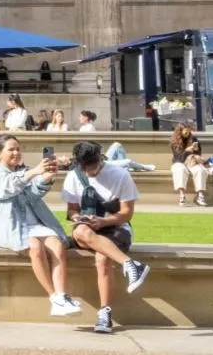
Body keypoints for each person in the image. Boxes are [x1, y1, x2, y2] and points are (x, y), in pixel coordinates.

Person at [63, 141, 152, 334]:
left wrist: (103, 222)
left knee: (102, 257)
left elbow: (127, 213)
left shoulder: (120, 175)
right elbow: (72, 211)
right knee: (79, 231)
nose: (89, 173)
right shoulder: (73, 176)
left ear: (100, 159)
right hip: (88, 230)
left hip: (116, 228)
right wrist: (79, 218)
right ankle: (131, 265)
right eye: (84, 169)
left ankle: (105, 312)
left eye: (93, 168)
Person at [0, 134, 80, 318]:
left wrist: (47, 176)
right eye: (11, 149)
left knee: (56, 244)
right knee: (35, 247)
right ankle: (53, 297)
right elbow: (8, 187)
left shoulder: (26, 171)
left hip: (35, 224)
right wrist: (34, 172)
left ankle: (62, 296)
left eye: (18, 149)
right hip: (12, 226)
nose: (16, 152)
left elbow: (33, 193)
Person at [169, 123, 207, 206]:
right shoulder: (174, 141)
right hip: (179, 162)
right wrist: (187, 151)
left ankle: (200, 195)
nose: (188, 134)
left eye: (189, 132)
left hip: (191, 161)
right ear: (180, 131)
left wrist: (197, 155)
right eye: (186, 132)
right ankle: (182, 196)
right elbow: (179, 159)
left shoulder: (193, 139)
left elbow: (198, 152)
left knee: (201, 170)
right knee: (180, 169)